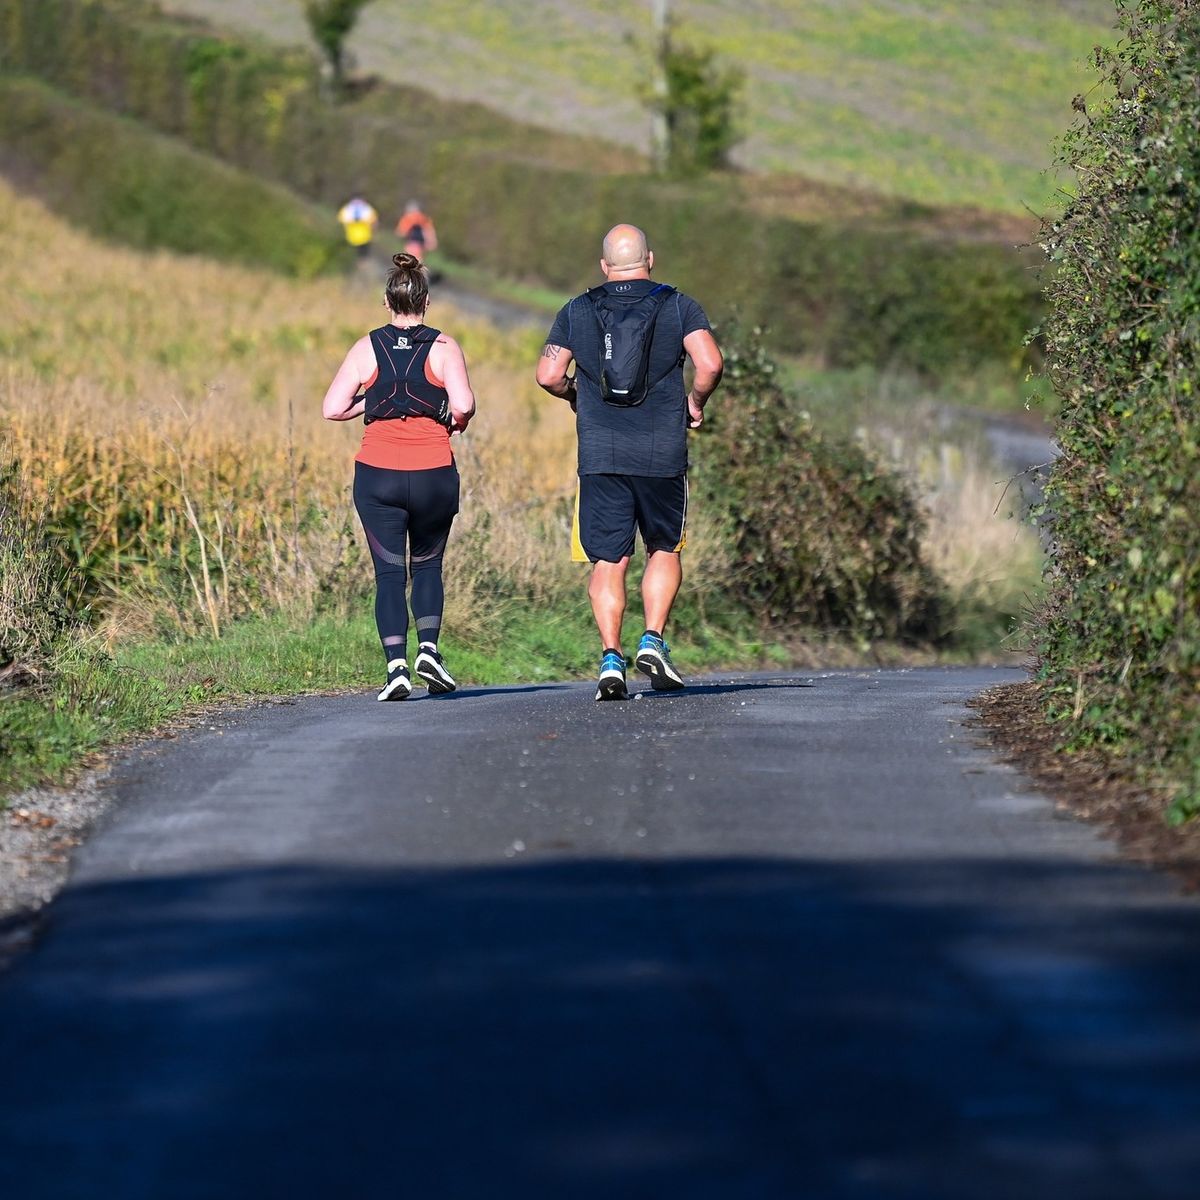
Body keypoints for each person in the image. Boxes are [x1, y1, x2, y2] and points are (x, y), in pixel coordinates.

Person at [535, 223, 723, 701]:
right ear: (650, 260)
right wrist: (695, 403)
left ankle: (611, 658)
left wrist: (575, 393)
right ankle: (653, 640)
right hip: (662, 452)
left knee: (608, 558)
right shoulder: (679, 305)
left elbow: (548, 373)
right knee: (665, 547)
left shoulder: (578, 309)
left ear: (604, 266)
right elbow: (710, 363)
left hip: (601, 454)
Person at [322, 253, 476, 700]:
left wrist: (371, 405)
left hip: (378, 476)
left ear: (386, 303)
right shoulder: (445, 347)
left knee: (389, 575)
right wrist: (452, 419)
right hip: (433, 473)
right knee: (428, 566)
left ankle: (396, 670)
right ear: (425, 301)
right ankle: (429, 649)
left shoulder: (366, 347)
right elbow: (463, 405)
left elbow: (332, 408)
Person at [337, 195, 379, 262]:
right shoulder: (367, 208)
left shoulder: (348, 208)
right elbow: (374, 221)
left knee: (354, 253)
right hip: (364, 236)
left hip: (352, 236)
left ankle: (356, 264)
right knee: (362, 254)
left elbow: (341, 219)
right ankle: (361, 264)